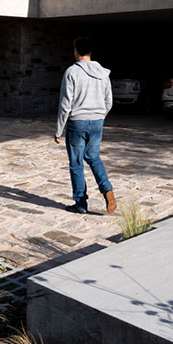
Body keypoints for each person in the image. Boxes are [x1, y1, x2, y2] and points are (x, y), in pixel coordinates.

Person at [54, 37, 117, 215]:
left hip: (77, 123)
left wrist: (59, 130)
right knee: (94, 157)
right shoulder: (103, 73)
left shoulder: (72, 72)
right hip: (97, 122)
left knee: (76, 164)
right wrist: (99, 117)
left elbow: (65, 104)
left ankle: (81, 204)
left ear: (76, 51)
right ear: (90, 52)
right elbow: (109, 101)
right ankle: (107, 190)